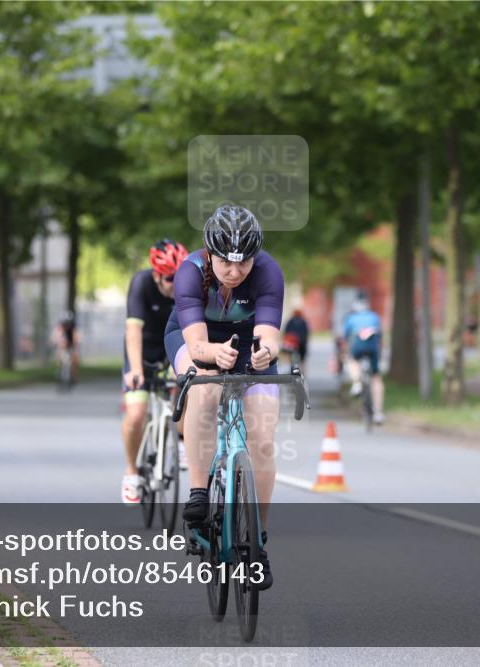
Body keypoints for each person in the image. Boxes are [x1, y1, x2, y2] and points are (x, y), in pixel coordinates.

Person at [164, 204, 283, 590]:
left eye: (244, 263)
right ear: (209, 254)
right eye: (226, 263)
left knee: (262, 439)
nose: (234, 272)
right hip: (195, 338)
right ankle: (199, 491)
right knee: (207, 384)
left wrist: (266, 352)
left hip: (247, 342)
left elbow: (270, 334)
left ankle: (258, 543)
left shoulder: (268, 272)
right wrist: (214, 355)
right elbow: (196, 344)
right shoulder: (190, 272)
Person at [120, 239, 188, 505]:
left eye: (180, 277)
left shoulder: (187, 288)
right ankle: (131, 472)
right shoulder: (141, 284)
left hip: (173, 347)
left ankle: (180, 438)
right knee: (136, 414)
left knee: (183, 389)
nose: (177, 284)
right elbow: (133, 329)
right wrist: (136, 369)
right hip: (143, 349)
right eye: (171, 279)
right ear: (158, 276)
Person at [343, 292, 386, 424]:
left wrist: (345, 353)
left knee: (352, 360)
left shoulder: (351, 318)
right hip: (373, 344)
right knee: (376, 377)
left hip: (357, 342)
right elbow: (381, 338)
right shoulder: (374, 316)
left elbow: (346, 338)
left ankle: (357, 384)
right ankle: (378, 412)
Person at [52, 310, 80, 381]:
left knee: (75, 358)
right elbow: (55, 335)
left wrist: (76, 342)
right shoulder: (60, 327)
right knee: (58, 353)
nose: (66, 325)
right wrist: (56, 341)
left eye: (68, 323)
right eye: (65, 323)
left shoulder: (73, 327)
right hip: (63, 344)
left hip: (71, 344)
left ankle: (74, 376)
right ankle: (59, 368)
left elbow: (76, 337)